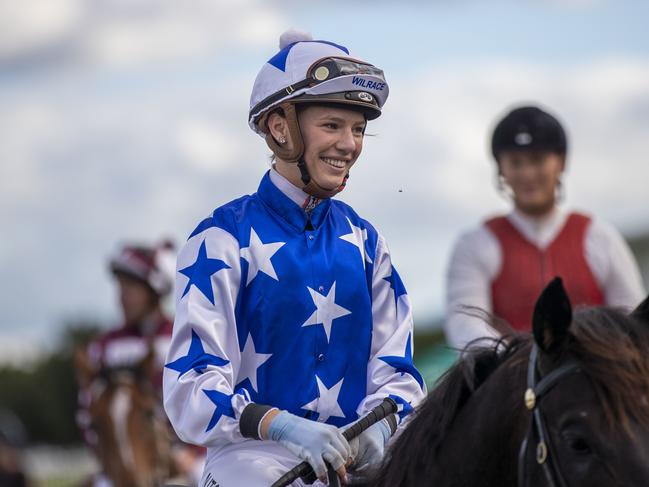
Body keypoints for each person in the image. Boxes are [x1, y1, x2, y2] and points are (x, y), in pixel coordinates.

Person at [163, 29, 426, 487]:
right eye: (332, 125)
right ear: (279, 127)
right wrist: (279, 425)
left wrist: (379, 430)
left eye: (359, 129)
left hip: (354, 467)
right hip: (248, 463)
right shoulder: (220, 239)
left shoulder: (367, 242)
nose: (349, 144)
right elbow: (189, 388)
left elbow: (400, 376)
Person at [444, 104, 646, 351]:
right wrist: (515, 360)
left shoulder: (600, 236)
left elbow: (631, 318)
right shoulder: (475, 244)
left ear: (560, 162)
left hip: (596, 375)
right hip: (511, 380)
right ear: (501, 169)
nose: (527, 173)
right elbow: (464, 324)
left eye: (537, 160)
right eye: (516, 163)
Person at [76, 240, 204, 486]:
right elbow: (86, 415)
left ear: (153, 291)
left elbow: (203, 402)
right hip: (118, 466)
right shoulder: (100, 348)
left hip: (187, 457)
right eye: (120, 287)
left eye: (131, 287)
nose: (122, 297)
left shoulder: (185, 339)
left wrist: (192, 452)